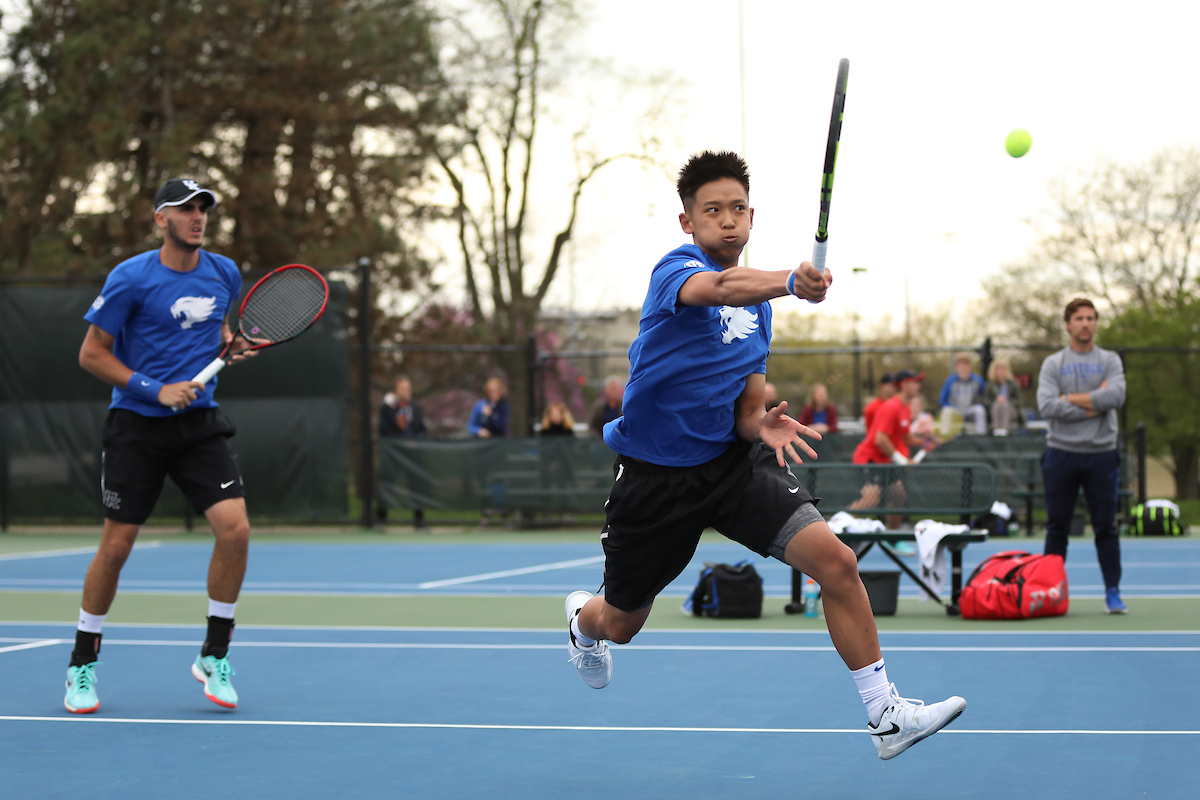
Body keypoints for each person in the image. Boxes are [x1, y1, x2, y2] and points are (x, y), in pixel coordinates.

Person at [564, 151, 965, 761]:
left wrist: (762, 427)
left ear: (752, 216)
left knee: (836, 562)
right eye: (712, 210)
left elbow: (748, 405)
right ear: (687, 222)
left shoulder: (758, 314)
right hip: (655, 481)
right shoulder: (676, 270)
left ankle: (885, 713)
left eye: (737, 209)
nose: (727, 221)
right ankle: (581, 624)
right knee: (620, 622)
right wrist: (791, 280)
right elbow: (720, 286)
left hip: (730, 468)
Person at [67, 178, 252, 714]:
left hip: (198, 425)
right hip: (135, 426)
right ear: (160, 219)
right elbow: (92, 354)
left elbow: (216, 330)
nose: (197, 217)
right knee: (116, 548)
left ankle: (214, 654)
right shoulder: (130, 278)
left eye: (203, 210)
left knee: (235, 529)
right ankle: (82, 664)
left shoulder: (224, 273)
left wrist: (228, 347)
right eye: (185, 209)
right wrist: (154, 388)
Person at [1036, 297, 1128, 614]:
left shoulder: (1110, 360)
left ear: (1095, 323)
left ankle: (1112, 592)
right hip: (1061, 453)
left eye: (1091, 318)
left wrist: (1071, 400)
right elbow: (1048, 406)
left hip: (1101, 455)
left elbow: (1116, 395)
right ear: (1068, 324)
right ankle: (1050, 592)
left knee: (1106, 527)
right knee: (1057, 527)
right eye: (1079, 318)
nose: (1086, 323)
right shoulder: (1053, 363)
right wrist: (1094, 405)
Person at [849, 371, 929, 532]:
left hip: (886, 461)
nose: (918, 386)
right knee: (871, 499)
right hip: (869, 458)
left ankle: (892, 536)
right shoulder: (891, 407)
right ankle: (833, 528)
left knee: (898, 494)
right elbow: (881, 439)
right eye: (915, 382)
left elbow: (905, 438)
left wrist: (925, 441)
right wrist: (903, 461)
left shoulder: (905, 408)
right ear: (904, 385)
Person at [377, 375, 429, 529]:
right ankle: (381, 520)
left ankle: (419, 521)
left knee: (416, 486)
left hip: (412, 455)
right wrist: (400, 442)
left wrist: (414, 441)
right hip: (393, 454)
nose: (407, 391)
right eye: (403, 388)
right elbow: (384, 430)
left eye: (408, 388)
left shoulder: (415, 407)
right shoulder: (387, 408)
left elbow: (421, 430)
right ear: (395, 390)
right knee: (388, 484)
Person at [937, 353, 987, 435]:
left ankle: (980, 436)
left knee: (980, 410)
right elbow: (942, 400)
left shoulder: (978, 381)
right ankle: (945, 436)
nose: (963, 368)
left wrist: (978, 403)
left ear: (970, 367)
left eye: (965, 365)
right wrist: (952, 406)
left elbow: (985, 397)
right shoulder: (950, 381)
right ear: (956, 367)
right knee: (946, 411)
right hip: (956, 409)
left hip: (970, 410)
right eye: (960, 365)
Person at [985, 357, 1023, 435]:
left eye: (1003, 369)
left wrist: (1007, 400)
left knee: (1005, 405)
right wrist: (996, 400)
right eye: (998, 369)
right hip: (995, 410)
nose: (1001, 371)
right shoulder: (990, 385)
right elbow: (986, 401)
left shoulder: (1013, 384)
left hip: (1012, 411)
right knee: (997, 405)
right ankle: (997, 430)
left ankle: (1004, 431)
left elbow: (1019, 401)